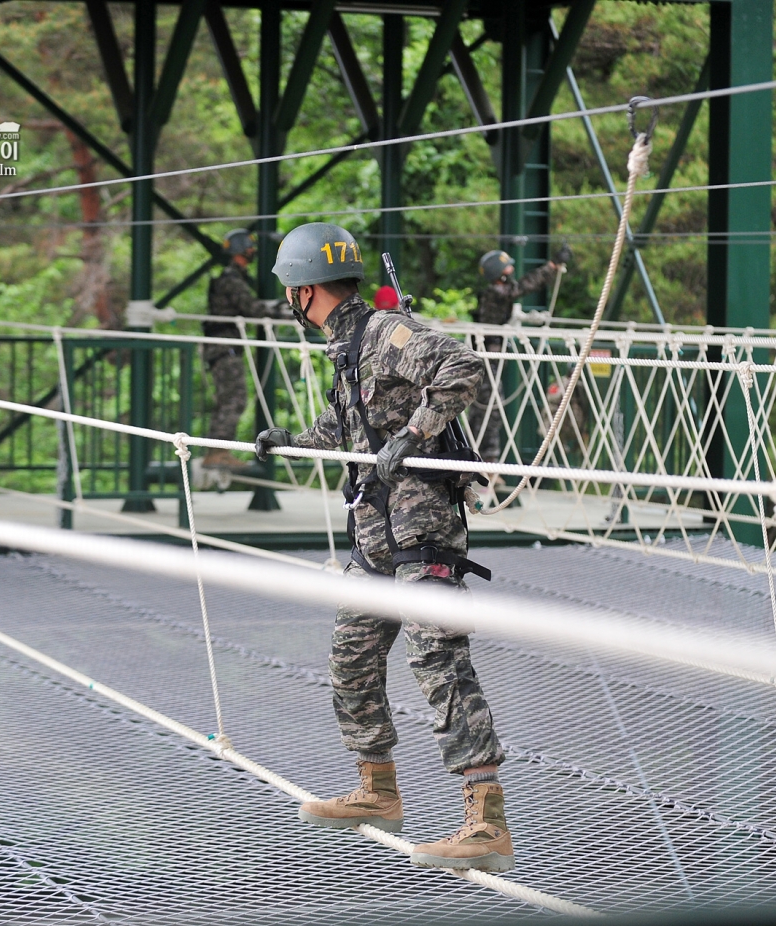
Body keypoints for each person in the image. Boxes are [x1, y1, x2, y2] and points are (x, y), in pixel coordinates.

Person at [255, 222, 514, 873]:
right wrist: (290, 440)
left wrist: (418, 431)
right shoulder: (345, 350)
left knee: (439, 661)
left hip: (422, 529)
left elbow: (463, 367)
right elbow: (349, 426)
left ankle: (486, 822)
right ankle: (377, 788)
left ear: (303, 291)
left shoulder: (385, 333)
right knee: (352, 657)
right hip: (374, 536)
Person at [466, 246, 571, 464]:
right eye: (508, 267)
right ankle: (484, 459)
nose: (512, 269)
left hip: (488, 358)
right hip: (486, 359)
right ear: (499, 273)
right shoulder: (497, 293)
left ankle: (475, 456)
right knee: (490, 409)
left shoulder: (498, 293)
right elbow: (523, 287)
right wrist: (551, 267)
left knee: (485, 409)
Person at [202, 228, 284, 470]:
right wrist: (280, 313)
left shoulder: (230, 278)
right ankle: (217, 452)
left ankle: (217, 451)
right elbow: (251, 308)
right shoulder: (231, 280)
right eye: (250, 248)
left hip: (222, 347)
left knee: (229, 399)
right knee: (234, 399)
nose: (253, 252)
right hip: (224, 347)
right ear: (241, 251)